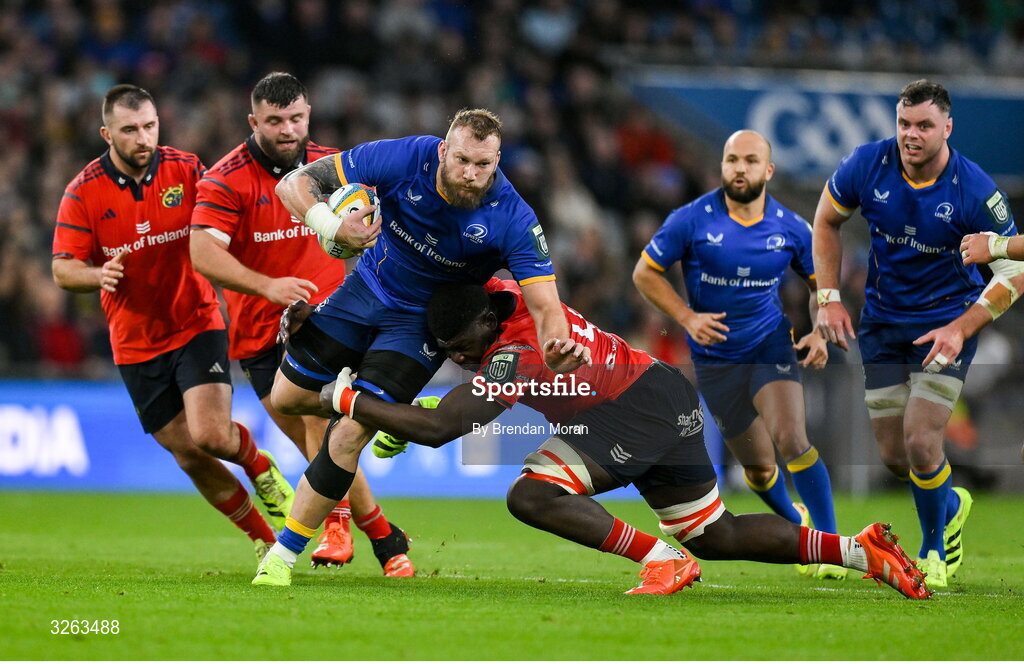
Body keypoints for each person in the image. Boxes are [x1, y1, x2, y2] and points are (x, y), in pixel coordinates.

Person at [263, 278, 930, 599]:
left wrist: (348, 397)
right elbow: (451, 383)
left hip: (632, 411)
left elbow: (440, 428)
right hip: (660, 393)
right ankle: (858, 551)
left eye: (458, 348)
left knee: (530, 493)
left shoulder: (512, 353)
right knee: (715, 534)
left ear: (481, 330)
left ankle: (657, 560)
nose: (456, 359)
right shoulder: (510, 294)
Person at [251, 108, 584, 585]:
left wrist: (557, 342)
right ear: (444, 151)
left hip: (418, 327)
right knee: (287, 399)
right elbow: (294, 185)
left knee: (347, 434)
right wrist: (330, 226)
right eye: (463, 160)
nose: (471, 174)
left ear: (497, 161)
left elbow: (546, 304)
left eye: (484, 165)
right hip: (365, 289)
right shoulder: (405, 157)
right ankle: (392, 415)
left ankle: (282, 557)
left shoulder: (513, 217)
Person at [51, 84, 294, 563]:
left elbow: (223, 225)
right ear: (106, 134)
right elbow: (62, 269)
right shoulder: (82, 192)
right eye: (129, 130)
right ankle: (265, 541)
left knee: (210, 435)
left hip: (197, 319)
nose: (142, 138)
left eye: (149, 126)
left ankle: (259, 465)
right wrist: (98, 274)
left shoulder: (186, 169)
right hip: (135, 341)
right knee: (188, 454)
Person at [189, 72, 416, 576]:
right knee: (317, 444)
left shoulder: (334, 169)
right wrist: (266, 286)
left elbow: (387, 218)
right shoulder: (226, 179)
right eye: (274, 121)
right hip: (256, 334)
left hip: (329, 321)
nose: (287, 129)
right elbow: (202, 253)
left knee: (322, 422)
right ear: (254, 122)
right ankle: (386, 538)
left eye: (295, 118)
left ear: (308, 114)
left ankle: (334, 526)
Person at [813, 79, 1024, 587]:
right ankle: (951, 503)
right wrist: (829, 298)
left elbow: (1015, 271)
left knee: (921, 438)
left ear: (947, 128)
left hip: (946, 324)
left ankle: (932, 551)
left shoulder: (974, 190)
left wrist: (961, 327)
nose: (912, 135)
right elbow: (824, 222)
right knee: (894, 455)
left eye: (924, 126)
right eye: (905, 124)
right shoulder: (867, 163)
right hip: (883, 323)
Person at [632, 130, 846, 580]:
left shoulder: (791, 226)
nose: (740, 168)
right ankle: (796, 524)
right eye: (732, 159)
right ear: (723, 167)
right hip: (714, 359)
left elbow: (819, 288)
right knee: (759, 468)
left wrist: (820, 332)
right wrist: (687, 318)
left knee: (791, 438)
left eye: (750, 160)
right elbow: (645, 274)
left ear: (768, 170)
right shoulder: (690, 220)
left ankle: (831, 547)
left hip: (770, 343)